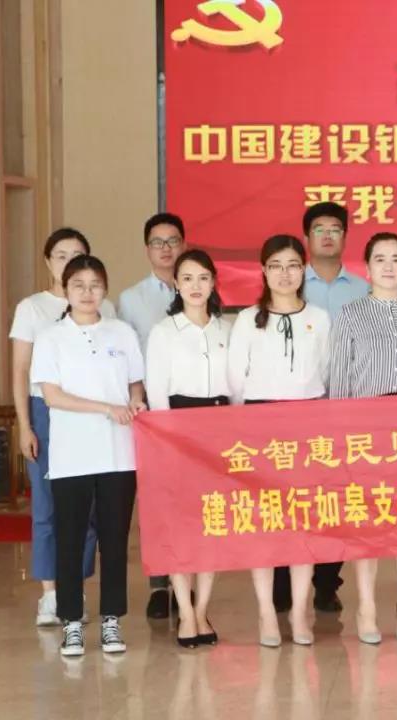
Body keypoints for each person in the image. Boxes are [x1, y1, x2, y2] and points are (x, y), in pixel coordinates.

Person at [30, 255, 145, 657]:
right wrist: (106, 408)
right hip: (72, 456)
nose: (87, 292)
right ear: (65, 289)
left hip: (118, 454)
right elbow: (52, 395)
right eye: (78, 285)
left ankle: (112, 620)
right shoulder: (51, 338)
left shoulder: (121, 332)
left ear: (105, 289)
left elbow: (134, 383)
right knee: (71, 540)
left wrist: (134, 401)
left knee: (114, 540)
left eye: (95, 284)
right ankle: (72, 623)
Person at [227, 234, 332, 647]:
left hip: (308, 423)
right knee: (265, 522)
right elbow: (236, 381)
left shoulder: (320, 318)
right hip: (260, 425)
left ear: (304, 270)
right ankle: (267, 613)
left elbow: (326, 372)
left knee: (304, 520)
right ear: (263, 271)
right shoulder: (246, 319)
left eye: (292, 265)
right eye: (275, 266)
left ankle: (300, 612)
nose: (284, 274)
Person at [329, 232, 397, 645]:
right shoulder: (350, 314)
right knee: (366, 520)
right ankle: (367, 606)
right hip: (363, 426)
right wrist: (341, 437)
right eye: (380, 259)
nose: (388, 266)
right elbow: (340, 378)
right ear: (367, 268)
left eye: (396, 259)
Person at [10, 228, 115, 628]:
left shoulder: (105, 307)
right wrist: (25, 425)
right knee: (47, 505)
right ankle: (50, 593)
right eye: (60, 255)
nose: (68, 262)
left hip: (92, 413)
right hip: (45, 410)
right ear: (48, 262)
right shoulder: (32, 308)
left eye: (77, 255)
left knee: (87, 508)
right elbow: (20, 371)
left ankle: (76, 590)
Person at [145, 249, 232, 648]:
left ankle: (201, 609)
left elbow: (238, 385)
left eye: (203, 278)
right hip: (177, 431)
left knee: (212, 525)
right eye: (187, 278)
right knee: (180, 527)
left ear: (213, 282)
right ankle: (183, 609)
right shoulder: (164, 332)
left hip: (220, 431)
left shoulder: (227, 328)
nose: (196, 286)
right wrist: (167, 441)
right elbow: (156, 390)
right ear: (176, 285)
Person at [298, 201, 368, 613]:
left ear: (345, 236)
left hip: (347, 407)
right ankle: (288, 582)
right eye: (319, 229)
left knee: (338, 498)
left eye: (335, 229)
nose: (327, 236)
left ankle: (327, 581)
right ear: (307, 237)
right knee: (295, 495)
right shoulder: (291, 281)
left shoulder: (362, 289)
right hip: (299, 406)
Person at [117, 212, 187, 619]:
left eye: (172, 241)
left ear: (183, 245)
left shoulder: (198, 287)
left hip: (190, 408)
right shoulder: (131, 299)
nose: (166, 249)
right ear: (147, 249)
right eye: (158, 242)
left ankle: (187, 578)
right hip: (150, 411)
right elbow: (125, 360)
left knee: (188, 497)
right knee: (155, 499)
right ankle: (160, 584)